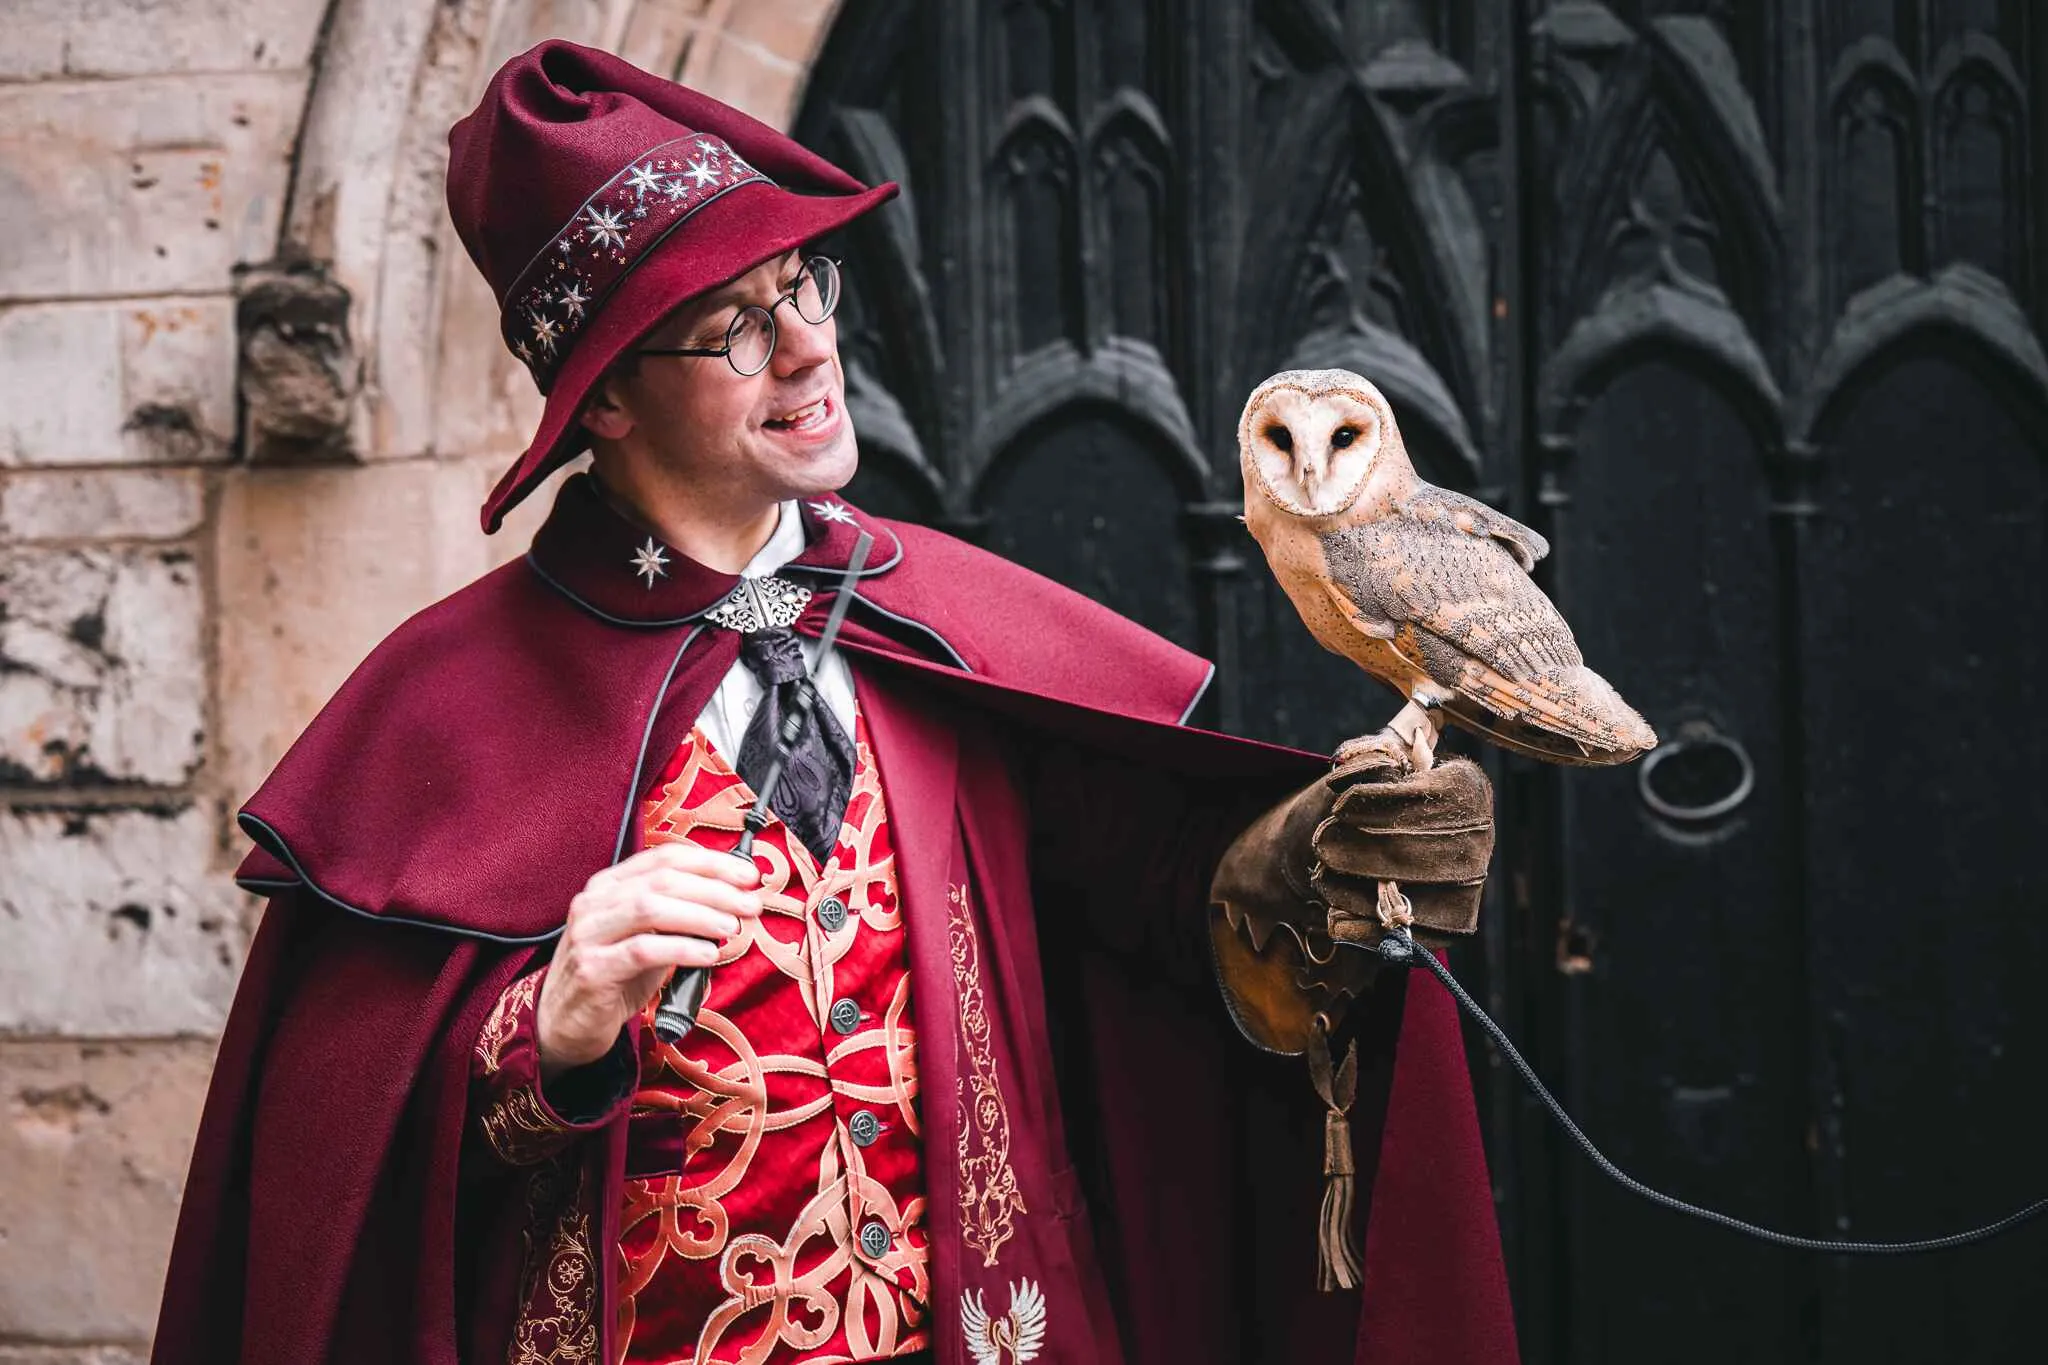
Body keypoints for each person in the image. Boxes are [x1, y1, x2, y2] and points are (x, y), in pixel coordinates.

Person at [151, 39, 1518, 1365]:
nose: (809, 348)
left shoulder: (949, 629)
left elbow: (1152, 920)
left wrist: (1303, 882)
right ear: (607, 399)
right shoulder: (446, 711)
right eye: (737, 329)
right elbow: (338, 1183)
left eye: (805, 285)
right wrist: (546, 1028)